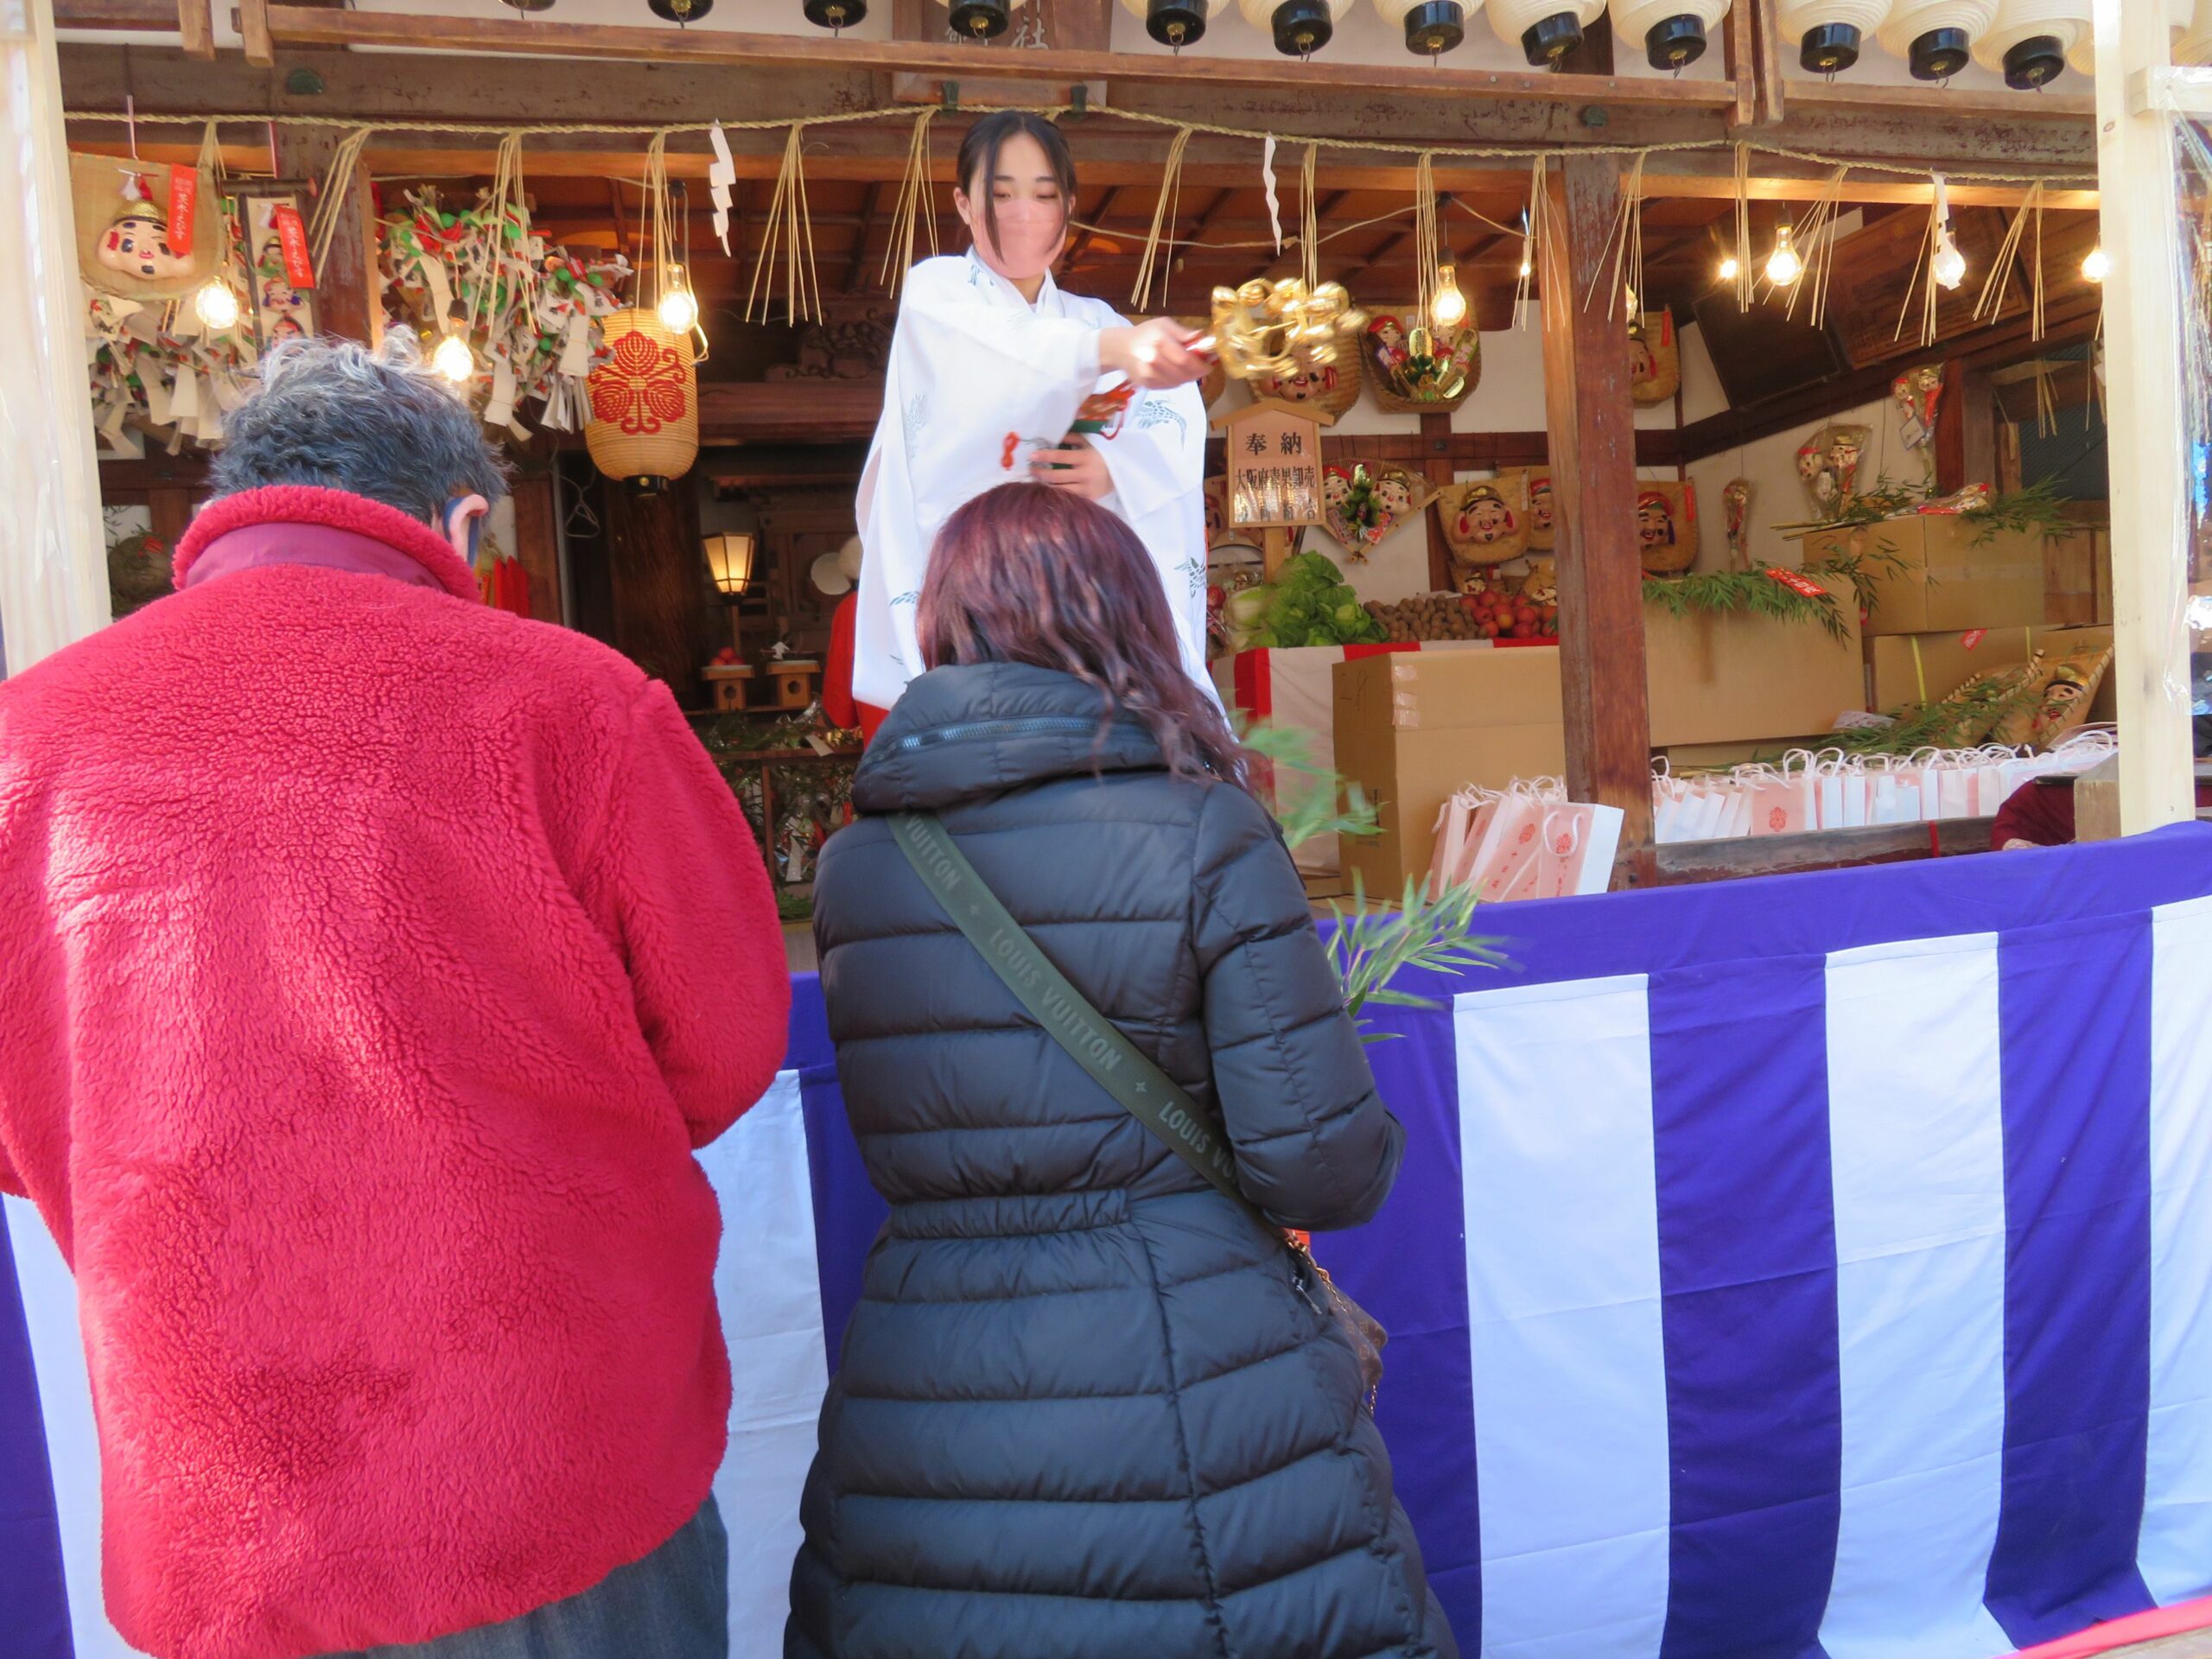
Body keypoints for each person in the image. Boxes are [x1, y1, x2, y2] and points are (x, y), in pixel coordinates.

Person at [0, 337, 789, 1659]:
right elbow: (724, 1046)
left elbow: (23, 1134)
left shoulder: (29, 741)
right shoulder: (575, 704)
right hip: (553, 1469)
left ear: (221, 510)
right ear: (462, 521)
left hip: (223, 1505)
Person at [788, 483, 1456, 1659]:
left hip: (928, 1373)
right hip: (1190, 1365)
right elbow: (1316, 1166)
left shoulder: (856, 866)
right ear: (1125, 618)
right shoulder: (1202, 827)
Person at [852, 110, 1213, 730]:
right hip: (975, 591)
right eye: (1000, 193)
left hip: (1080, 602)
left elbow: (1164, 413)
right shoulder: (937, 294)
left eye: (1044, 194)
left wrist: (1115, 469)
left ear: (1068, 205)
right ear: (964, 204)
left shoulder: (1097, 319)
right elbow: (994, 352)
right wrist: (1113, 351)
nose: (1024, 212)